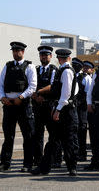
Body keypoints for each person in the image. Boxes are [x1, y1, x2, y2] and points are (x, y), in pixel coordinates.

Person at [0, 41, 36, 173]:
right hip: (9, 104)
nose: (15, 53)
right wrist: (2, 97)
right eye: (13, 51)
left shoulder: (30, 66)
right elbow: (0, 84)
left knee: (27, 136)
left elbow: (32, 86)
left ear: (22, 52)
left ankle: (28, 163)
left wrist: (21, 97)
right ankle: (5, 163)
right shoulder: (7, 66)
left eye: (17, 51)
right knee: (8, 135)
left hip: (23, 104)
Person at [35, 48, 79, 176]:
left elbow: (65, 94)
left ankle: (71, 167)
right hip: (65, 108)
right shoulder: (65, 70)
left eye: (61, 58)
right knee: (56, 139)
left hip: (65, 110)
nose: (61, 60)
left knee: (66, 140)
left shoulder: (66, 72)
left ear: (59, 59)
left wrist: (57, 110)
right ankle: (45, 167)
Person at [31, 45, 61, 170]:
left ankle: (55, 159)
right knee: (37, 134)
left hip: (49, 105)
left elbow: (52, 86)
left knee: (54, 134)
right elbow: (31, 85)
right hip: (37, 106)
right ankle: (38, 159)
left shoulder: (54, 70)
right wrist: (35, 96)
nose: (44, 57)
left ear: (51, 56)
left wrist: (39, 92)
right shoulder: (35, 70)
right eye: (42, 55)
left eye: (46, 55)